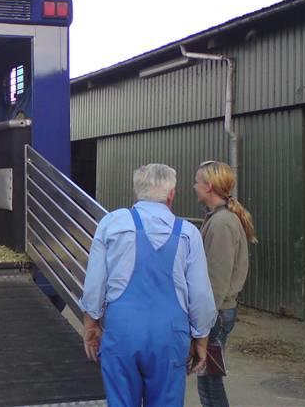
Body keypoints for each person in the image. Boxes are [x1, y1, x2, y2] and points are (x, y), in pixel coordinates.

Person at [81, 163, 217, 407]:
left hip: (123, 333)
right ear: (171, 194)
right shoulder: (188, 233)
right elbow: (200, 295)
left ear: (137, 192)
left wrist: (91, 323)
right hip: (169, 337)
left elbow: (94, 282)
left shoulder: (111, 224)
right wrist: (201, 337)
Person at [193, 160, 257, 407]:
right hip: (219, 311)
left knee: (209, 382)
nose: (194, 186)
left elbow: (216, 280)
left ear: (208, 186)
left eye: (197, 182)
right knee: (208, 379)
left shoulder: (221, 224)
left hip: (216, 313)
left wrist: (203, 322)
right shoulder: (219, 218)